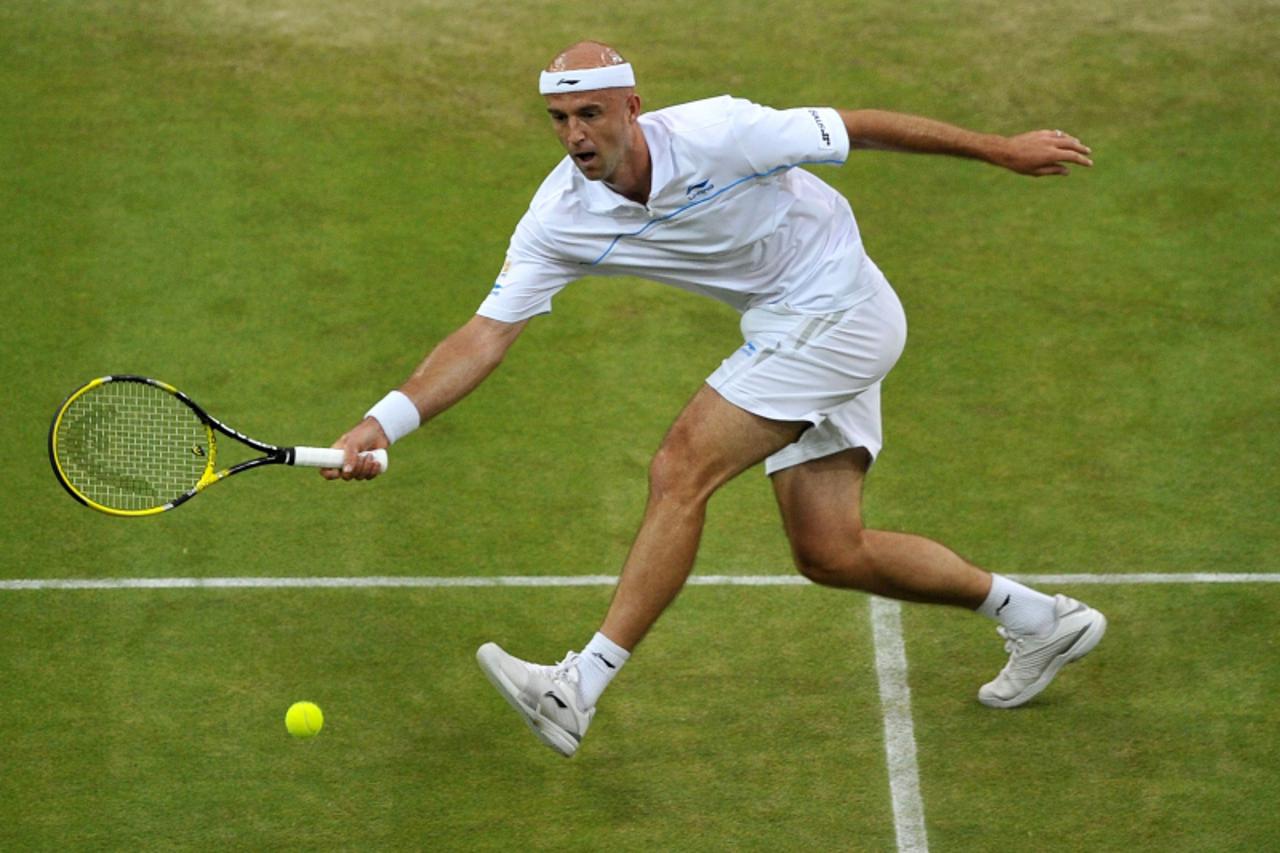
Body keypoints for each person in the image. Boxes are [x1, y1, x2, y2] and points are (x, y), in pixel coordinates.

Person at [325, 41, 1106, 758]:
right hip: (793, 324)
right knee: (830, 552)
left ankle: (577, 687)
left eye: (590, 113)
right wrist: (380, 423)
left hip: (840, 307)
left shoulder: (724, 133)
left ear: (633, 107)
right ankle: (1040, 618)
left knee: (681, 467)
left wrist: (1000, 149)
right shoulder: (560, 216)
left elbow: (856, 127)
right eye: (559, 119)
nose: (574, 135)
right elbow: (484, 334)